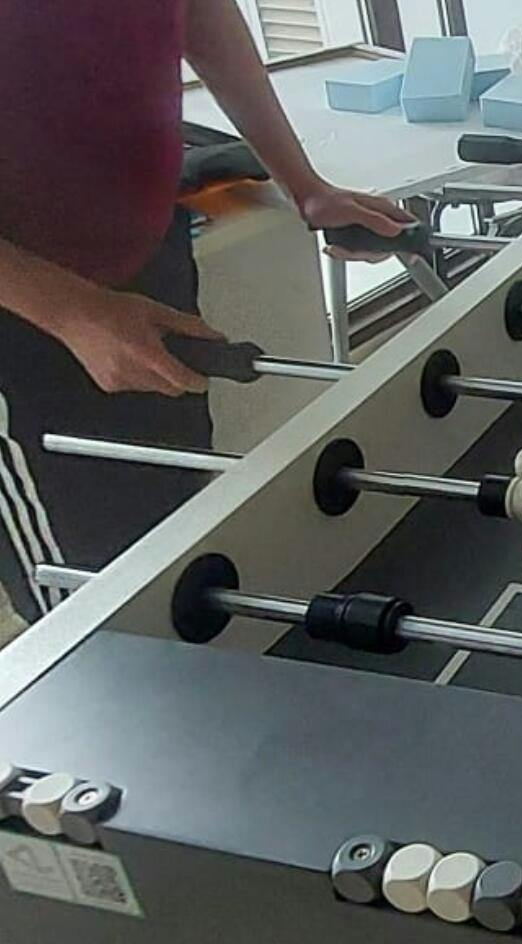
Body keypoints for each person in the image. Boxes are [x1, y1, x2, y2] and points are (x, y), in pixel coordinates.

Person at [0, 0, 413, 632]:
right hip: (25, 322)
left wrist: (302, 183)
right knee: (97, 618)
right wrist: (75, 313)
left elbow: (195, 11)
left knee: (175, 537)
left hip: (143, 256)